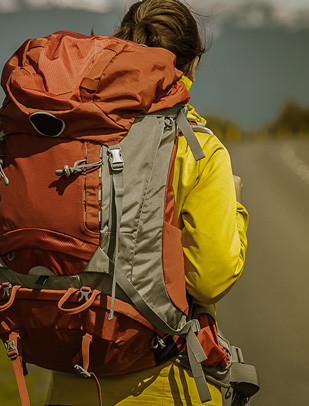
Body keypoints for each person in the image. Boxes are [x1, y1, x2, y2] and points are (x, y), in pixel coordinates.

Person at [45, 0, 248, 404]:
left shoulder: (74, 138)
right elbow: (211, 276)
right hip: (159, 381)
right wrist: (237, 210)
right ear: (192, 66)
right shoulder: (198, 149)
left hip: (70, 374)